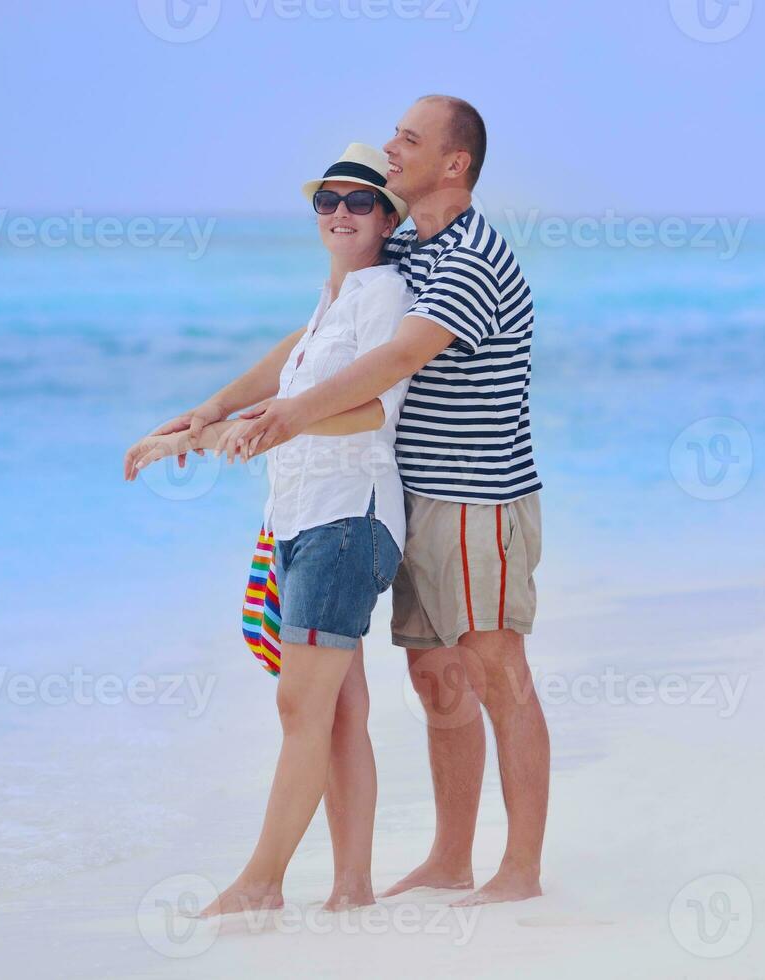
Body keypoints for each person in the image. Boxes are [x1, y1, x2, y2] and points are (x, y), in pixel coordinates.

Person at [215, 95, 550, 907]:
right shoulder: (411, 246)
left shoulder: (472, 256)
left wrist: (293, 415)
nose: (392, 148)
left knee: (497, 673)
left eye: (408, 138)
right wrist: (218, 409)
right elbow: (322, 330)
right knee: (438, 683)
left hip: (476, 498)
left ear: (453, 163)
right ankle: (449, 858)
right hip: (411, 494)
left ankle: (521, 872)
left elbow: (399, 356)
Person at [123, 143, 415, 914]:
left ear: (389, 217)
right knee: (340, 710)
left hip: (347, 518)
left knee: (300, 707)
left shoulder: (385, 293)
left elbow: (376, 408)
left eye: (360, 201)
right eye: (328, 201)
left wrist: (272, 430)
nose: (342, 213)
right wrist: (205, 416)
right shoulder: (333, 301)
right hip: (300, 518)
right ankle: (352, 888)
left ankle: (262, 883)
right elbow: (282, 369)